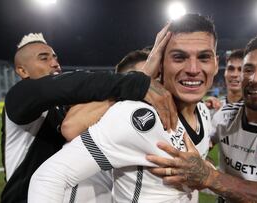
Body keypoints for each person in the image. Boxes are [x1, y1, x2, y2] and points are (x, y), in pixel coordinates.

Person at [28, 14, 218, 202]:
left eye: (204, 57)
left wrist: (207, 172)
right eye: (179, 57)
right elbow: (48, 177)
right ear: (161, 64)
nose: (193, 69)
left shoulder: (202, 111)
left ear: (216, 63)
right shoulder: (136, 116)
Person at [1, 33, 177, 202]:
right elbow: (67, 86)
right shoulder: (19, 96)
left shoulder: (59, 107)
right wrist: (136, 81)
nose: (55, 63)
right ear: (22, 70)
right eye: (44, 58)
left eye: (55, 57)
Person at [147, 33, 257, 202]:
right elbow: (201, 149)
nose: (255, 78)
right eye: (248, 70)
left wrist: (209, 176)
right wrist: (205, 161)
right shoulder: (223, 115)